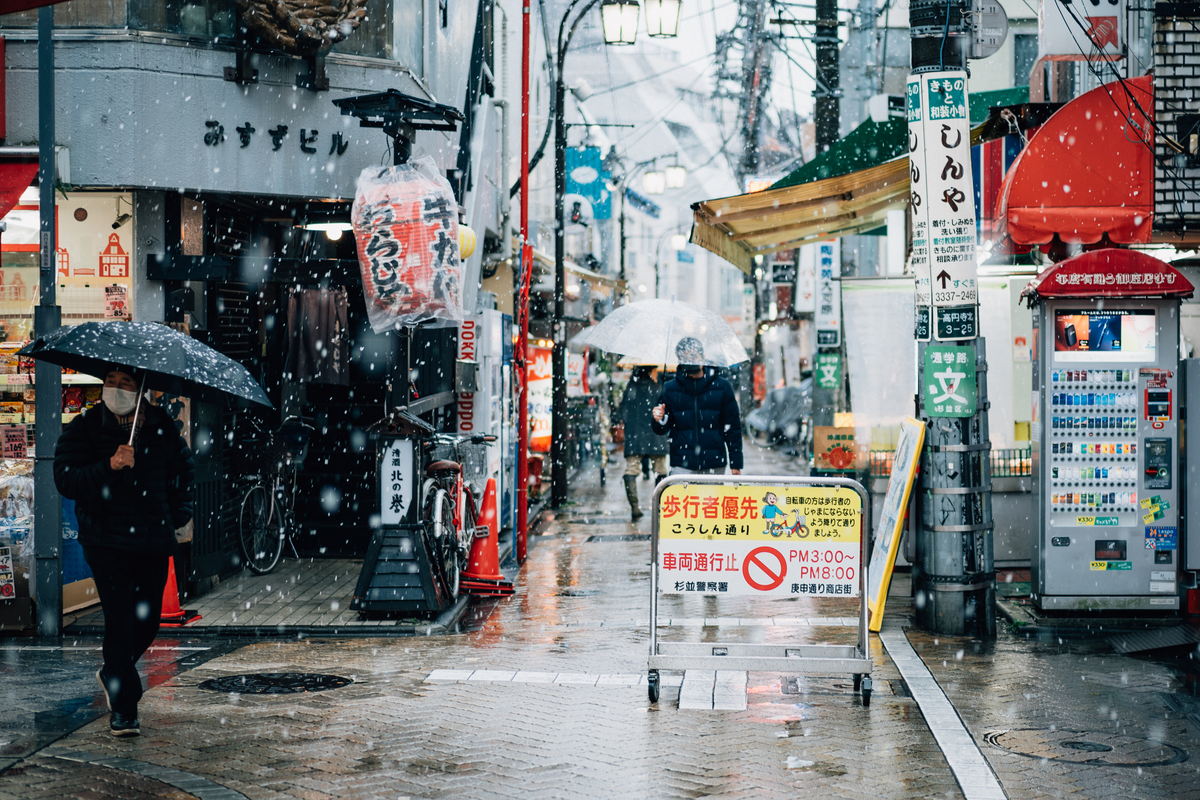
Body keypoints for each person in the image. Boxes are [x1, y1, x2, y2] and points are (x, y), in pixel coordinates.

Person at [54, 365, 195, 737]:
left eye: (125, 383)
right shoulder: (85, 428)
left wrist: (174, 514)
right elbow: (66, 479)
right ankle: (124, 707)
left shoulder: (161, 427)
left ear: (140, 390)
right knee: (120, 622)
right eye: (110, 382)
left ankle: (112, 671)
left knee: (146, 624)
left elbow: (183, 473)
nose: (115, 388)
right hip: (106, 542)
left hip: (152, 541)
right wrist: (109, 466)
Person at [651, 337, 743, 476]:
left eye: (693, 356)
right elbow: (662, 429)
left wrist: (736, 463)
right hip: (681, 464)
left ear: (703, 357)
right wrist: (658, 420)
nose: (690, 361)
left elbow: (733, 427)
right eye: (685, 358)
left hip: (714, 464)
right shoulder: (669, 389)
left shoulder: (722, 386)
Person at [618, 366, 669, 520]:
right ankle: (659, 507)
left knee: (631, 470)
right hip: (656, 436)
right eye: (654, 371)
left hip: (635, 436)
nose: (656, 373)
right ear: (649, 372)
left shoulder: (630, 389)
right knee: (660, 470)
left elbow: (622, 413)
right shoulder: (659, 388)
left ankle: (634, 507)